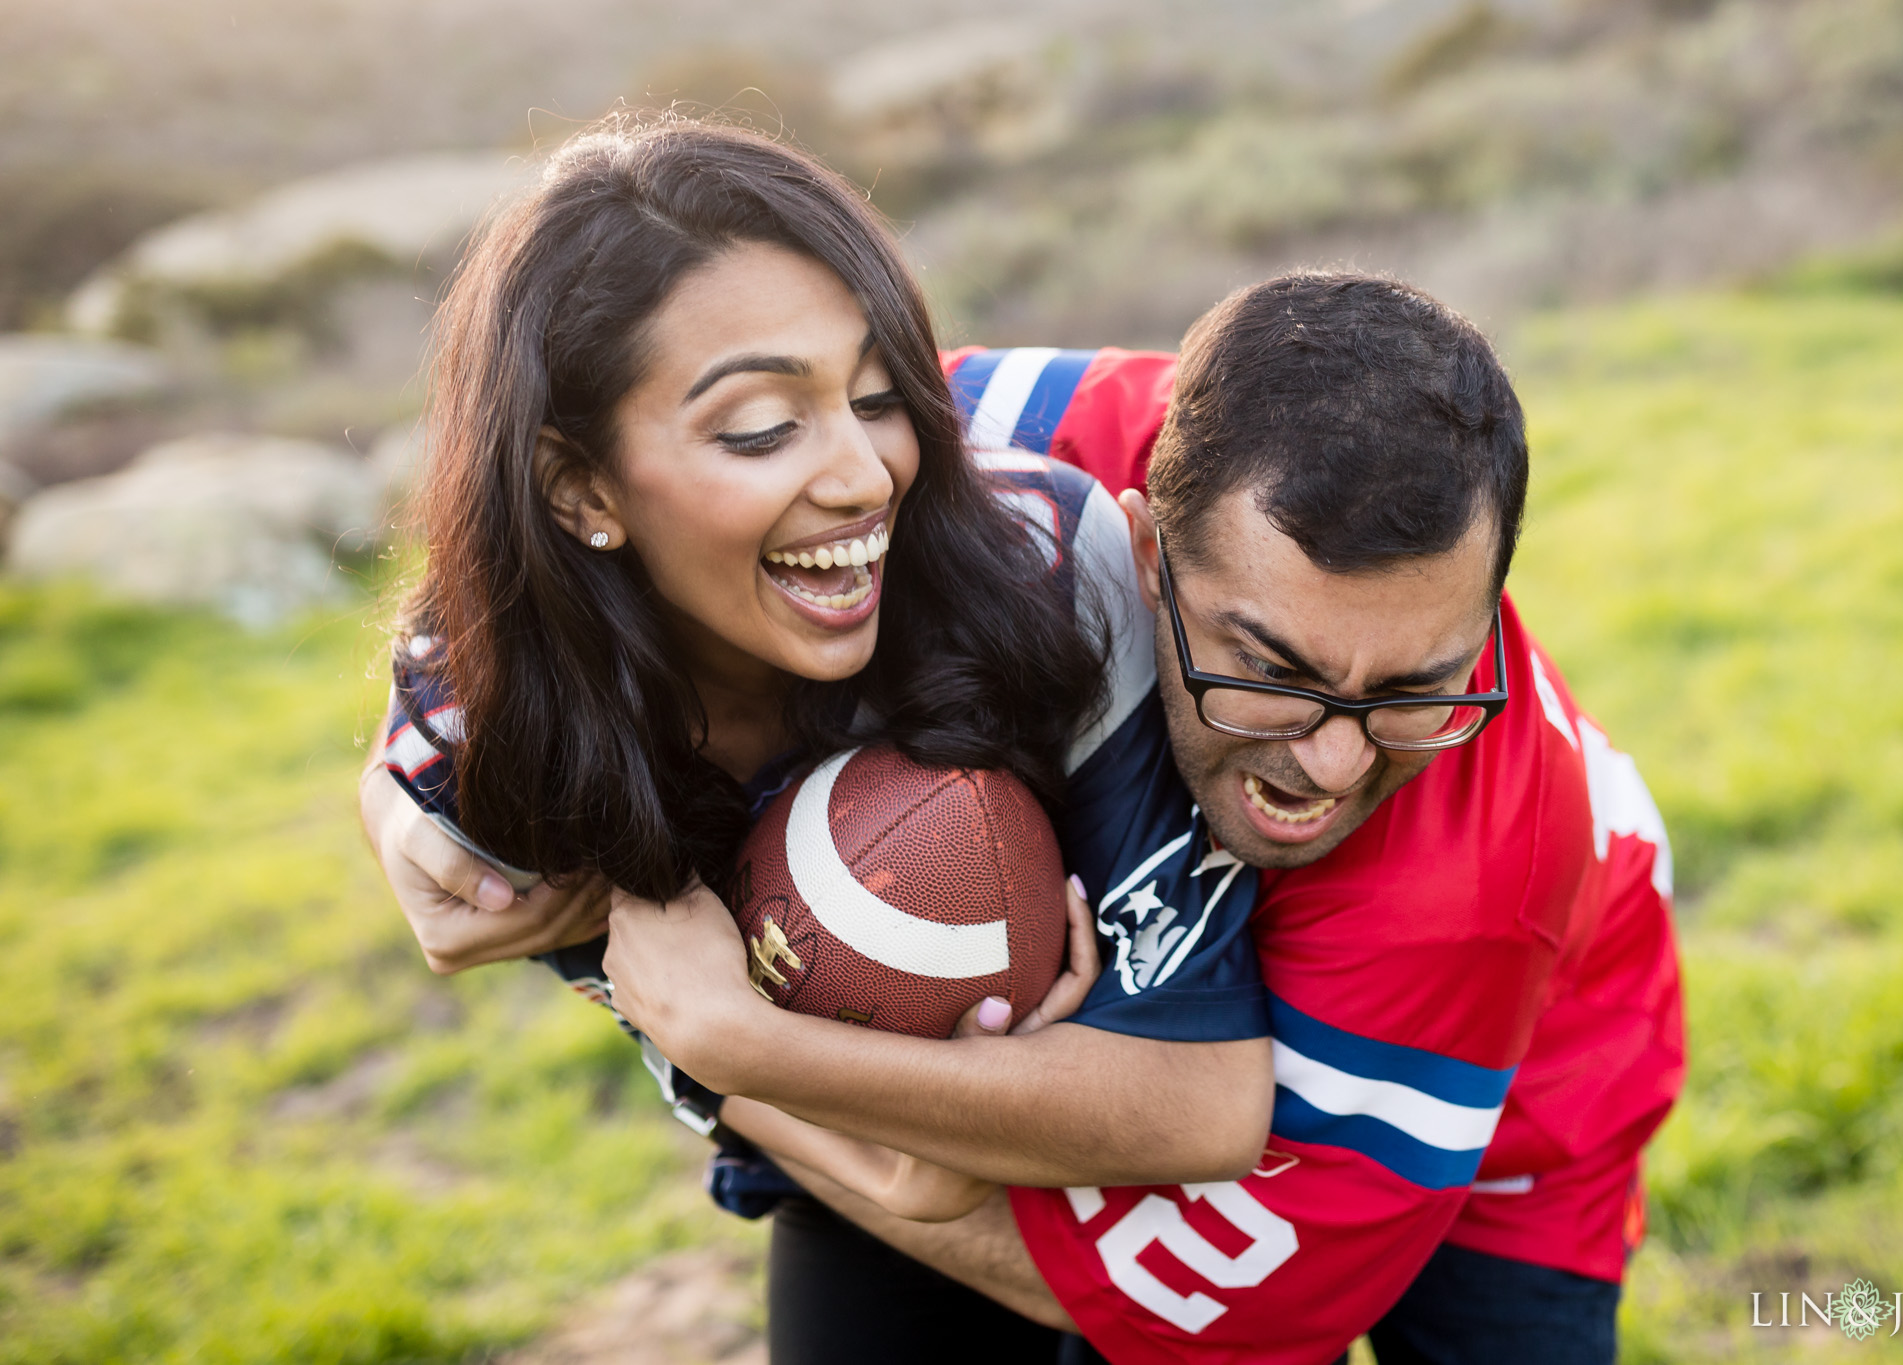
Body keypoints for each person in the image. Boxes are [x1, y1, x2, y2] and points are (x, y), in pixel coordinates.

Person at [366, 138, 1680, 1359]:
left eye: (1411, 690)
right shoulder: (955, 453)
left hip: (1492, 1088)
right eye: (1265, 670)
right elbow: (535, 562)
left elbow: (1230, 1309)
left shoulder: (1473, 886)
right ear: (1147, 537)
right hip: (1054, 994)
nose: (1332, 761)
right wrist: (410, 800)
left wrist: (754, 1052)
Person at [360, 110, 1280, 1362]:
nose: (861, 475)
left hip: (1143, 1149)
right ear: (579, 487)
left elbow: (1203, 1105)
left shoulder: (1046, 569)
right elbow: (760, 1101)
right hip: (838, 1171)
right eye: (759, 428)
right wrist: (905, 1173)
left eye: (876, 395)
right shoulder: (504, 745)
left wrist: (748, 1036)